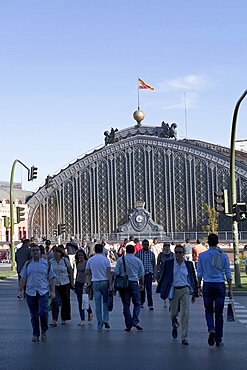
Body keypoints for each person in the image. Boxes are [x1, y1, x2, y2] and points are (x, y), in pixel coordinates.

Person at [156, 244, 198, 345]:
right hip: (173, 290)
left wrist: (195, 292)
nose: (178, 254)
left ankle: (184, 337)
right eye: (176, 252)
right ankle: (175, 325)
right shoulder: (169, 264)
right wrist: (162, 288)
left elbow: (192, 278)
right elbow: (163, 276)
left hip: (185, 289)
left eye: (180, 252)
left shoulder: (188, 264)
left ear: (184, 254)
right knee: (173, 313)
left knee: (185, 314)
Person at [197, 233, 232, 348]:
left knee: (208, 310)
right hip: (219, 284)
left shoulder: (202, 256)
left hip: (207, 284)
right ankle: (219, 339)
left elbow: (200, 273)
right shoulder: (223, 255)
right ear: (217, 242)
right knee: (219, 313)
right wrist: (230, 289)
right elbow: (228, 273)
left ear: (208, 242)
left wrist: (198, 286)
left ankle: (211, 328)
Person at [19, 244, 56, 342]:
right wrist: (21, 291)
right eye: (33, 250)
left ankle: (44, 330)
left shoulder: (46, 263)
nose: (35, 252)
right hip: (30, 292)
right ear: (30, 253)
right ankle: (35, 334)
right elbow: (23, 278)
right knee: (34, 314)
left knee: (43, 312)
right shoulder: (28, 264)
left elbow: (52, 278)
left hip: (43, 291)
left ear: (40, 252)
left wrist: (53, 291)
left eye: (37, 250)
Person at [114, 244, 145, 331]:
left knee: (126, 304)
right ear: (134, 251)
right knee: (137, 303)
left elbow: (116, 272)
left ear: (126, 251)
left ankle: (128, 324)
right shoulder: (138, 260)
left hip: (123, 284)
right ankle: (135, 320)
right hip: (134, 283)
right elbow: (141, 275)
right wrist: (142, 284)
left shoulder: (121, 259)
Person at [85, 244, 112, 331]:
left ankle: (99, 324)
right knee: (105, 302)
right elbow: (109, 273)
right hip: (104, 281)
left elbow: (87, 272)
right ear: (102, 250)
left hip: (95, 281)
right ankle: (106, 319)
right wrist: (111, 285)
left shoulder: (91, 259)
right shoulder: (105, 259)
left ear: (95, 250)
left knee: (97, 303)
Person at [49, 246, 74, 326]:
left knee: (65, 300)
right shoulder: (51, 262)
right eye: (55, 252)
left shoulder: (65, 260)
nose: (56, 253)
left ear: (61, 253)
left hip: (65, 282)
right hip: (55, 283)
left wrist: (72, 282)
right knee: (55, 301)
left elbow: (71, 271)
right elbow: (48, 272)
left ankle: (64, 318)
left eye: (58, 252)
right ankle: (54, 319)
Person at [135, 239, 156, 310]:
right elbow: (135, 263)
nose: (146, 246)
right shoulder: (138, 253)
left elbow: (154, 264)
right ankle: (141, 302)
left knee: (149, 289)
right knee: (141, 289)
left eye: (147, 244)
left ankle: (150, 304)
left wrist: (154, 274)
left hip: (149, 273)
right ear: (142, 245)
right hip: (141, 274)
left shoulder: (151, 254)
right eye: (144, 245)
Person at [74, 249, 93, 325]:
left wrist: (87, 283)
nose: (80, 257)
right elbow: (77, 273)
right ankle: (82, 319)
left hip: (84, 283)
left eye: (81, 255)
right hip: (78, 282)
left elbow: (88, 273)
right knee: (80, 301)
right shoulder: (77, 263)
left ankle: (89, 311)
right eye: (79, 255)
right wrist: (75, 283)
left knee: (84, 300)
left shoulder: (87, 263)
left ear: (84, 255)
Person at [157, 242, 174, 308]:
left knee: (170, 286)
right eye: (165, 246)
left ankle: (170, 301)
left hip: (171, 273)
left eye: (168, 246)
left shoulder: (172, 254)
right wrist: (158, 272)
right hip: (163, 273)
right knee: (164, 287)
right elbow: (158, 264)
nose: (166, 247)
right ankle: (164, 301)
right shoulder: (160, 255)